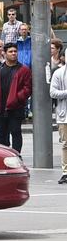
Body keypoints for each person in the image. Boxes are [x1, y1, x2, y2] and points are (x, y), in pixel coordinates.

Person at [0, 43, 32, 153]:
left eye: (15, 51)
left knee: (16, 132)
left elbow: (27, 88)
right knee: (1, 134)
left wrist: (16, 98)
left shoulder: (24, 70)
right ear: (4, 53)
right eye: (11, 51)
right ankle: (3, 157)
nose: (14, 53)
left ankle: (16, 156)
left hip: (16, 108)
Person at [50, 56, 67, 184]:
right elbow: (53, 92)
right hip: (64, 114)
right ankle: (65, 172)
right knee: (66, 144)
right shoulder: (59, 73)